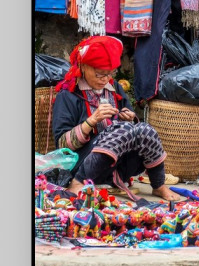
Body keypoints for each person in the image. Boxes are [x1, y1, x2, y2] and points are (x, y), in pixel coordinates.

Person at [52, 35, 181, 202]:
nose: (105, 79)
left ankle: (158, 185)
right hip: (82, 165)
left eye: (109, 74)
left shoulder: (114, 88)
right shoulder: (68, 95)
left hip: (118, 167)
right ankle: (78, 183)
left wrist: (130, 117)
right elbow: (62, 146)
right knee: (122, 129)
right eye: (99, 74)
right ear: (83, 66)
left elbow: (132, 129)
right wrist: (91, 121)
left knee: (145, 130)